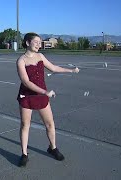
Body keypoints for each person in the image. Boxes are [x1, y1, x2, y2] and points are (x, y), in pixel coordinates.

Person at [17, 32, 79, 167]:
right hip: (27, 96)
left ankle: (53, 148)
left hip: (41, 96)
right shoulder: (21, 61)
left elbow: (54, 67)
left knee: (50, 124)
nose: (39, 45)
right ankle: (24, 154)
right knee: (25, 125)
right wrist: (45, 92)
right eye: (36, 42)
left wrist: (71, 71)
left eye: (40, 42)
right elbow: (26, 82)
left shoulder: (40, 56)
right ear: (27, 43)